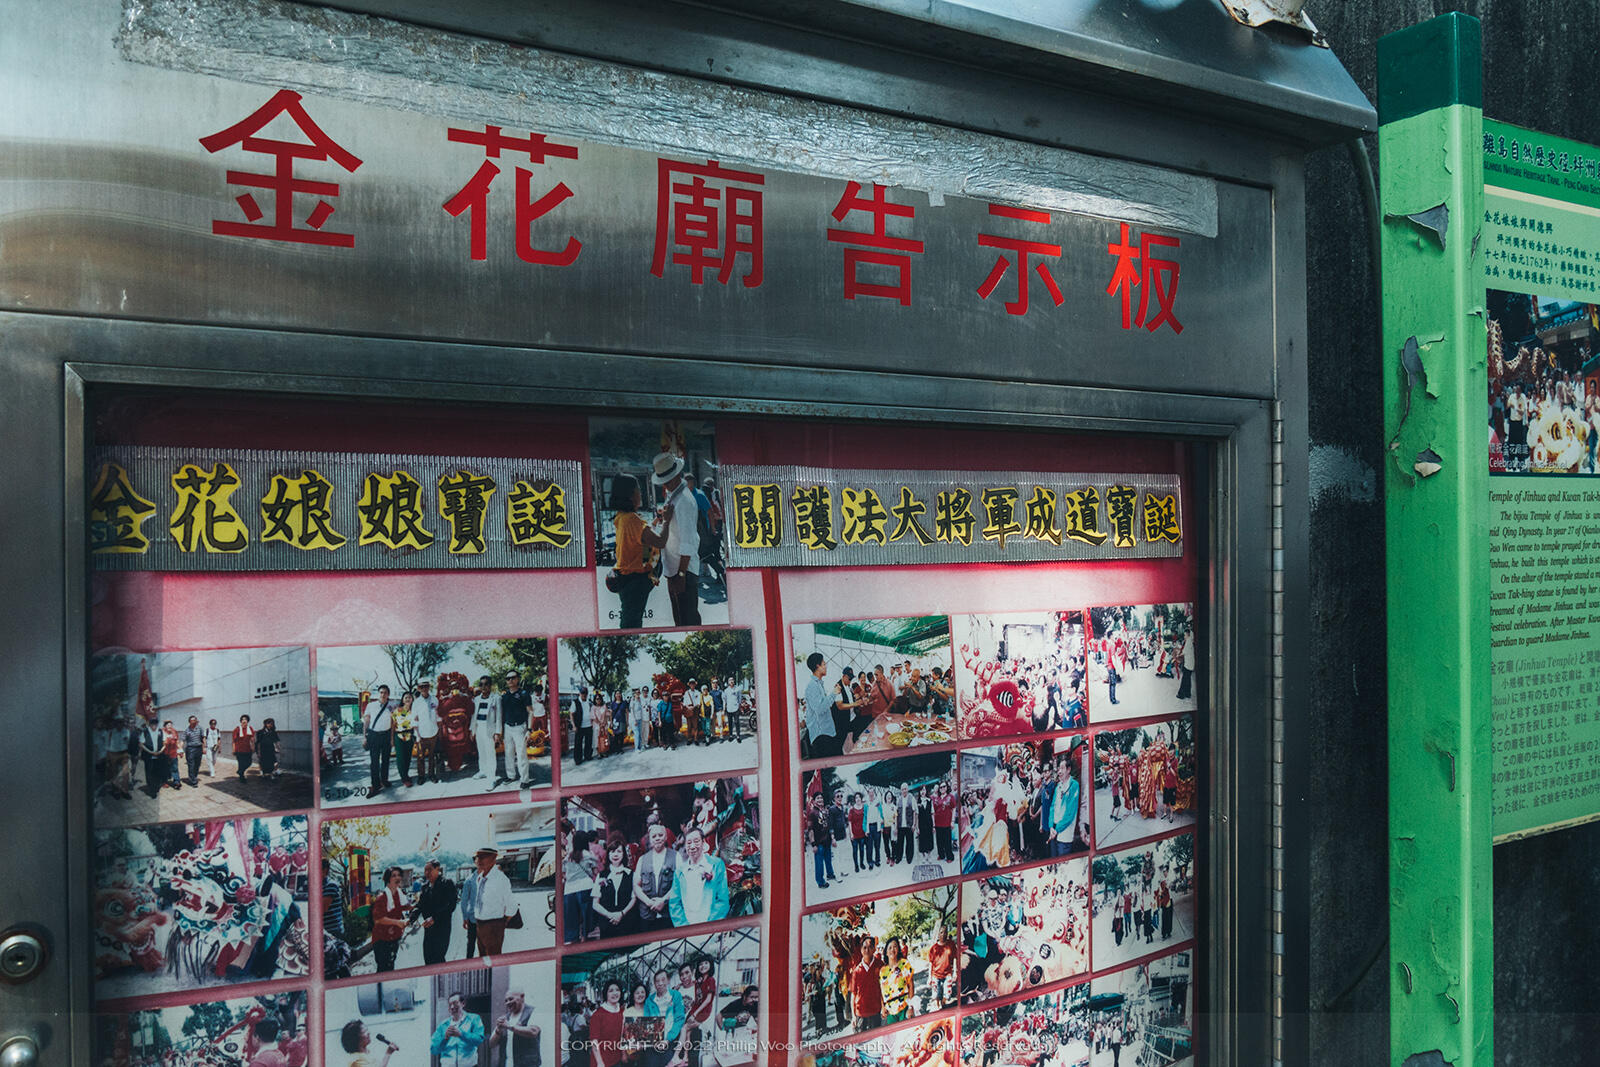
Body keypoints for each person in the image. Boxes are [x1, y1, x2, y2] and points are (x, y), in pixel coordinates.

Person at [650, 451, 702, 627]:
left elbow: (688, 542)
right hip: (675, 569)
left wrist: (681, 575)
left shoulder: (684, 501)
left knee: (688, 621)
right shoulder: (674, 495)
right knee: (680, 620)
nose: (665, 485)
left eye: (667, 481)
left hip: (683, 570)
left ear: (677, 475)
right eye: (663, 481)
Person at [610, 474, 666, 630]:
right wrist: (667, 521)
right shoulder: (633, 520)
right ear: (630, 495)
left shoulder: (622, 517)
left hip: (628, 578)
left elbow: (642, 544)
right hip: (635, 581)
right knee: (631, 625)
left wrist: (655, 522)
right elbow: (660, 542)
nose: (641, 494)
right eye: (638, 490)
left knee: (631, 619)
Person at [668, 826, 729, 926]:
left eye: (696, 841)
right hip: (688, 928)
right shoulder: (680, 871)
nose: (692, 846)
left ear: (703, 842)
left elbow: (722, 899)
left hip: (712, 926)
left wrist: (710, 927)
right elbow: (675, 903)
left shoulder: (716, 865)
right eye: (688, 843)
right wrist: (683, 927)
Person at [472, 845, 518, 954]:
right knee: (482, 957)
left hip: (493, 925)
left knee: (493, 959)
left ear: (493, 859)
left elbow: (511, 904)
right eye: (478, 857)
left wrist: (503, 921)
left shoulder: (500, 879)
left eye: (483, 857)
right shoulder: (480, 877)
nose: (479, 860)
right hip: (480, 924)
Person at [412, 859, 459, 965]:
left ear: (438, 869)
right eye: (425, 870)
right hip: (429, 929)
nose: (427, 873)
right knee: (428, 958)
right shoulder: (425, 887)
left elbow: (451, 905)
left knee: (438, 959)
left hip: (442, 928)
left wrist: (434, 918)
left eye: (429, 870)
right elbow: (420, 905)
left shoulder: (447, 883)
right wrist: (411, 917)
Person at [633, 822, 678, 931]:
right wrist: (649, 903)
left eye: (660, 835)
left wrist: (663, 901)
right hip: (647, 915)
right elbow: (636, 885)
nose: (657, 838)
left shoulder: (676, 856)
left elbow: (679, 884)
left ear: (666, 837)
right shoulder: (642, 859)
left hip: (669, 914)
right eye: (654, 836)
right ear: (650, 839)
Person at [592, 833, 637, 939]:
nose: (615, 855)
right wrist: (610, 915)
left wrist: (621, 914)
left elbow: (633, 898)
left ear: (624, 854)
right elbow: (595, 903)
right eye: (612, 851)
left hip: (627, 924)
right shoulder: (602, 875)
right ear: (608, 854)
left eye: (619, 851)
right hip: (607, 924)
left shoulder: (631, 874)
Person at [430, 991, 487, 1067]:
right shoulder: (443, 1025)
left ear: (463, 1004)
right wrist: (445, 1038)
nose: (452, 1007)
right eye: (450, 1005)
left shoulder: (474, 1019)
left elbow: (479, 1039)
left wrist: (461, 1034)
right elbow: (433, 1049)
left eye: (455, 1003)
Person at [643, 969, 686, 1067]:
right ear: (654, 983)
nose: (660, 983)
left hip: (671, 1040)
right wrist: (654, 1040)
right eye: (657, 981)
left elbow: (679, 1019)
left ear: (668, 980)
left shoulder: (675, 995)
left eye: (663, 980)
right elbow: (647, 1021)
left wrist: (668, 1039)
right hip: (654, 1042)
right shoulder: (649, 1000)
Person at [500, 670, 536, 787]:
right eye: (508, 678)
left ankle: (525, 780)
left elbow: (530, 712)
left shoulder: (524, 694)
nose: (510, 680)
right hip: (507, 727)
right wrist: (501, 731)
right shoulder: (504, 696)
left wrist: (529, 730)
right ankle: (511, 776)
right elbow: (502, 714)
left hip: (520, 727)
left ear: (517, 679)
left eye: (513, 677)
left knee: (521, 754)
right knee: (508, 753)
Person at [491, 989, 544, 1067]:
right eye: (506, 1001)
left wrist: (509, 1026)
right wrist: (498, 1030)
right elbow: (491, 1044)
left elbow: (533, 1031)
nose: (508, 1002)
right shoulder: (505, 1018)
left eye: (511, 999)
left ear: (522, 997)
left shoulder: (533, 1012)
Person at [370, 867, 408, 973]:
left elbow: (403, 907)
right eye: (394, 876)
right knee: (383, 969)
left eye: (399, 875)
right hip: (382, 939)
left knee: (390, 966)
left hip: (394, 937)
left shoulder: (399, 895)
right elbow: (378, 919)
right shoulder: (382, 897)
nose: (397, 878)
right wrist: (397, 922)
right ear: (388, 879)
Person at [802, 653, 840, 758]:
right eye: (824, 664)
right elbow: (819, 709)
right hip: (821, 736)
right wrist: (833, 693)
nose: (826, 666)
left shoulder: (819, 684)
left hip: (827, 733)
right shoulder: (812, 686)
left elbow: (824, 705)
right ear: (818, 666)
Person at [361, 685, 395, 793]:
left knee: (386, 760)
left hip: (386, 735)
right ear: (378, 693)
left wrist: (392, 738)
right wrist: (364, 737)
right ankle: (375, 785)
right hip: (374, 735)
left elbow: (393, 723)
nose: (383, 694)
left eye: (385, 692)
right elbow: (366, 721)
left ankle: (384, 780)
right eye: (381, 692)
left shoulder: (392, 706)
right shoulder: (371, 705)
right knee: (374, 762)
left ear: (388, 694)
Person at [587, 980, 628, 1067]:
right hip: (601, 1061)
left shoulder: (622, 1012)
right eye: (611, 991)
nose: (615, 993)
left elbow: (622, 1036)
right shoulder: (598, 1014)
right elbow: (594, 1041)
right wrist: (599, 1062)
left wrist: (623, 1052)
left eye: (617, 990)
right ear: (606, 994)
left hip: (617, 1059)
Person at [472, 675, 503, 785]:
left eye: (486, 684)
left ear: (490, 685)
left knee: (490, 753)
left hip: (490, 729)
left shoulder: (496, 698)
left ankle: (492, 777)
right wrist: (472, 731)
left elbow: (499, 717)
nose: (483, 687)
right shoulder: (476, 699)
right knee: (481, 751)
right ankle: (483, 771)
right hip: (479, 728)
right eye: (481, 684)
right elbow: (473, 716)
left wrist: (497, 733)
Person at [849, 935, 883, 1032]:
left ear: (874, 949)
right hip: (860, 1014)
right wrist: (853, 1016)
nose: (867, 950)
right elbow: (853, 995)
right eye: (864, 947)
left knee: (876, 1038)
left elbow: (884, 989)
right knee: (862, 1040)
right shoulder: (856, 971)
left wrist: (884, 1007)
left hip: (876, 1012)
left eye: (870, 947)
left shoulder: (880, 965)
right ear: (861, 950)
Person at [878, 938, 915, 1024]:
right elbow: (881, 991)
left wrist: (911, 1007)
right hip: (890, 1011)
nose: (892, 950)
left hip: (904, 1007)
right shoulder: (882, 971)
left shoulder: (905, 964)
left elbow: (911, 986)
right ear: (886, 952)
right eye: (890, 948)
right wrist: (883, 1007)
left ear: (898, 949)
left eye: (895, 947)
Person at [413, 680, 441, 784]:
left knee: (432, 756)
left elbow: (438, 716)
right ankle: (421, 776)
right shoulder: (416, 702)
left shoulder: (434, 699)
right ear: (419, 689)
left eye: (426, 686)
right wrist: (417, 735)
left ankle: (431, 775)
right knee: (420, 757)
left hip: (433, 732)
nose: (424, 689)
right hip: (421, 734)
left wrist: (439, 731)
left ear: (429, 687)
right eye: (422, 687)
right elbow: (414, 720)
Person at [806, 794, 835, 890]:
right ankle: (820, 882)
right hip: (818, 842)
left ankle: (830, 874)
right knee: (819, 863)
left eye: (821, 798)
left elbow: (829, 825)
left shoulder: (825, 811)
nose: (820, 799)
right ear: (814, 801)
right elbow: (810, 830)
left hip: (827, 840)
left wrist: (832, 837)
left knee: (828, 859)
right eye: (818, 798)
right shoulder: (812, 813)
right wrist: (813, 844)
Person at [392, 692, 416, 787]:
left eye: (409, 697)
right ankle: (404, 778)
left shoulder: (414, 711)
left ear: (412, 699)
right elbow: (393, 725)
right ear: (402, 699)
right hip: (399, 736)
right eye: (406, 697)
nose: (408, 699)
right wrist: (391, 739)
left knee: (408, 757)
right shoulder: (397, 711)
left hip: (410, 736)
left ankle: (406, 775)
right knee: (400, 758)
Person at [136, 717, 163, 798]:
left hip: (158, 756)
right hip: (148, 756)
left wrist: (160, 751)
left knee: (157, 772)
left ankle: (156, 787)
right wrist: (150, 752)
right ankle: (151, 790)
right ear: (149, 724)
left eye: (155, 723)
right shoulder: (145, 732)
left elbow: (164, 742)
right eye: (152, 724)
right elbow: (141, 744)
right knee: (149, 773)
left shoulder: (160, 731)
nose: (154, 725)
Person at [322, 857, 345, 939]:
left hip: (333, 931)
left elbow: (322, 908)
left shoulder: (331, 885)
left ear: (325, 870)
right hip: (325, 931)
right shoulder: (318, 885)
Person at [181, 715, 205, 786]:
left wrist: (204, 748)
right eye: (192, 721)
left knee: (197, 764)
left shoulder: (200, 728)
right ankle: (193, 781)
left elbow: (203, 738)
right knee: (191, 765)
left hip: (199, 748)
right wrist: (180, 749)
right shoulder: (187, 730)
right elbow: (182, 740)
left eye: (195, 720)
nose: (194, 722)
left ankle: (194, 777)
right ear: (189, 722)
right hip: (190, 749)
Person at [257, 717, 281, 782]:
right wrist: (258, 751)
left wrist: (278, 748)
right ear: (265, 724)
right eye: (268, 723)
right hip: (263, 749)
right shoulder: (260, 732)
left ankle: (272, 774)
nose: (270, 725)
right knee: (263, 762)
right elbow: (258, 742)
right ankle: (262, 773)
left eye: (271, 724)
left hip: (271, 749)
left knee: (273, 762)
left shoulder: (273, 732)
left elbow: (277, 741)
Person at [161, 720, 182, 788]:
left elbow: (177, 741)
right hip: (164, 753)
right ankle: (164, 782)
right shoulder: (161, 732)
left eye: (170, 725)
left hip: (173, 753)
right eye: (168, 725)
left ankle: (177, 782)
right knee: (164, 768)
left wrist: (180, 750)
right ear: (165, 726)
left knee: (175, 767)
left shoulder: (174, 731)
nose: (169, 726)